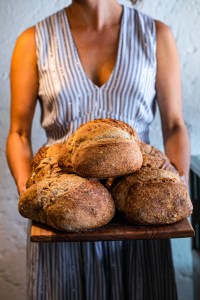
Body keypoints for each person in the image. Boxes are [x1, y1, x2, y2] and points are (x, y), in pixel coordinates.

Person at [6, 0, 190, 299]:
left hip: (139, 206)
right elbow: (18, 133)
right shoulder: (34, 39)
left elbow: (174, 125)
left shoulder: (155, 33)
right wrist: (31, 191)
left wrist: (176, 185)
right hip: (64, 209)